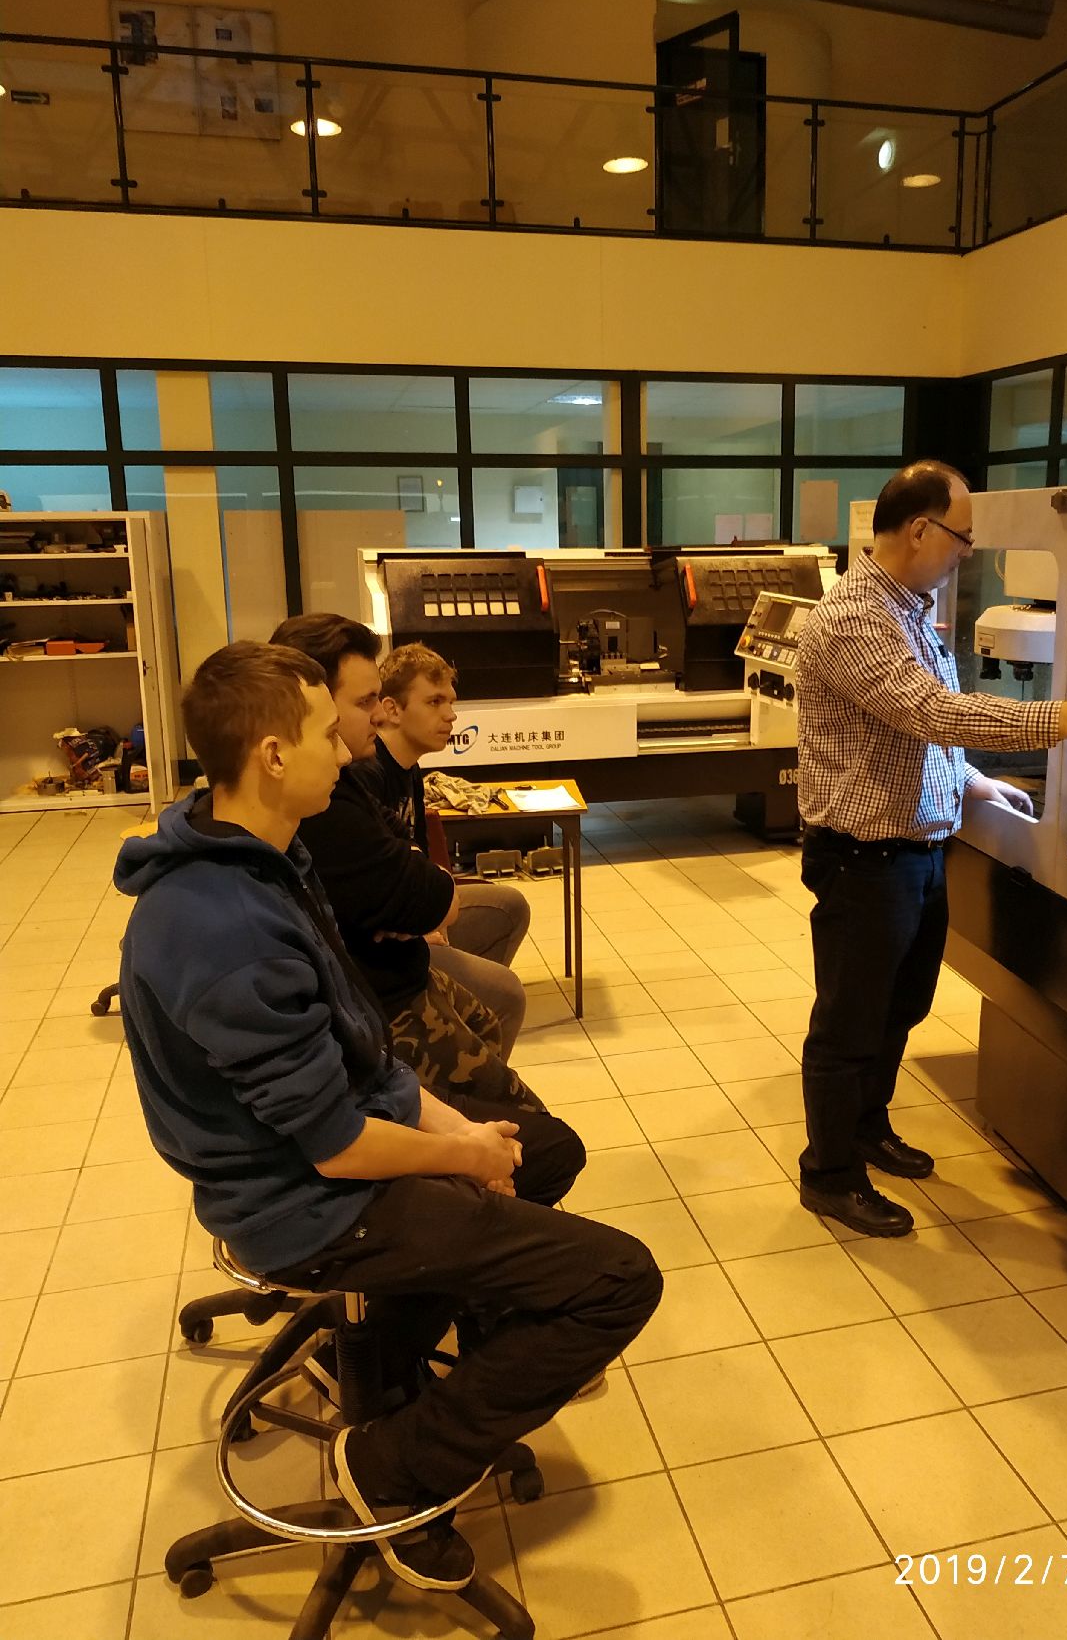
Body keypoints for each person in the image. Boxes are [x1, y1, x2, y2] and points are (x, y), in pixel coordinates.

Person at [116, 641, 662, 1591]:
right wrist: (461, 1155)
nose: (349, 746)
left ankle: (389, 1360)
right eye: (328, 732)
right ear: (273, 755)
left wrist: (463, 1135)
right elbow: (336, 1145)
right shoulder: (228, 927)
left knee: (538, 1150)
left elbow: (363, 1056)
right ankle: (393, 1465)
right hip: (302, 1206)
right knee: (618, 1279)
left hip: (329, 1150)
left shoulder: (263, 854)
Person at [795, 460, 1067, 1238]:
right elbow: (933, 711)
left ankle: (866, 1127)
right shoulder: (856, 617)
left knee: (900, 1007)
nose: (967, 552)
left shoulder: (910, 608)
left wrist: (970, 782)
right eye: (962, 537)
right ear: (919, 529)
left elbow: (911, 734)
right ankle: (828, 1174)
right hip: (864, 861)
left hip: (917, 853)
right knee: (848, 1024)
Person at [269, 614, 532, 1106]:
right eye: (364, 702)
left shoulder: (359, 775)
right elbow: (409, 888)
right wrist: (415, 903)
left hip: (399, 957)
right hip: (380, 995)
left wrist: (415, 898)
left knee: (503, 927)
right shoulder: (334, 794)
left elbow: (416, 867)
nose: (450, 715)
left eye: (451, 702)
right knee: (505, 1004)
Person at [352, 639, 530, 1013]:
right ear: (392, 709)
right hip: (380, 940)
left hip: (414, 912)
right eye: (434, 702)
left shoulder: (410, 770)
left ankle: (458, 1011)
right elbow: (376, 887)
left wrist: (435, 919)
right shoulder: (367, 773)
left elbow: (426, 863)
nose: (450, 715)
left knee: (510, 905)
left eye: (451, 702)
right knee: (507, 992)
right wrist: (425, 921)